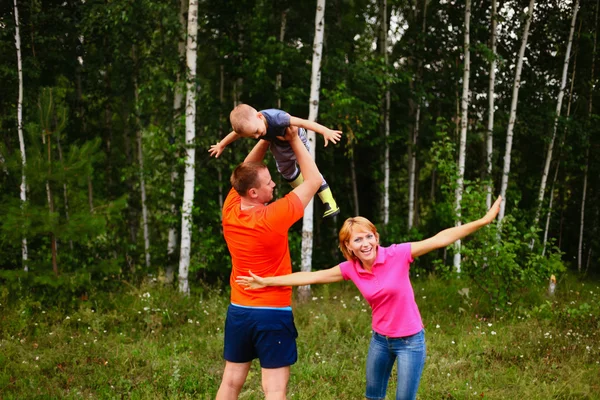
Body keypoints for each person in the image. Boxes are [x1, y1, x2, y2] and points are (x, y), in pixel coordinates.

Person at [236, 196, 502, 400]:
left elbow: (440, 239)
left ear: (376, 237)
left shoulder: (398, 254)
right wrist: (266, 281)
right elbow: (311, 277)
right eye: (356, 240)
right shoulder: (351, 269)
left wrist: (483, 221)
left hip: (411, 342)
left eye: (368, 236)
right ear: (348, 246)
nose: (364, 243)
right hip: (380, 341)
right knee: (372, 396)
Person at [215, 126, 323, 400]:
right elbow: (313, 180)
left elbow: (247, 169)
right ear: (253, 192)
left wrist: (265, 136)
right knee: (274, 390)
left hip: (239, 312)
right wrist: (295, 139)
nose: (274, 184)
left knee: (229, 384)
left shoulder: (231, 208)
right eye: (268, 182)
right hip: (272, 313)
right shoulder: (273, 217)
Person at [208, 104, 343, 219]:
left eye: (256, 132)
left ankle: (329, 201)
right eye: (252, 136)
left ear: (260, 116)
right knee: (285, 171)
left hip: (295, 137)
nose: (257, 136)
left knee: (309, 171)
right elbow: (235, 133)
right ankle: (306, 191)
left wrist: (325, 131)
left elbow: (302, 122)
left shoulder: (278, 118)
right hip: (278, 144)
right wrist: (222, 145)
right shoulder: (254, 124)